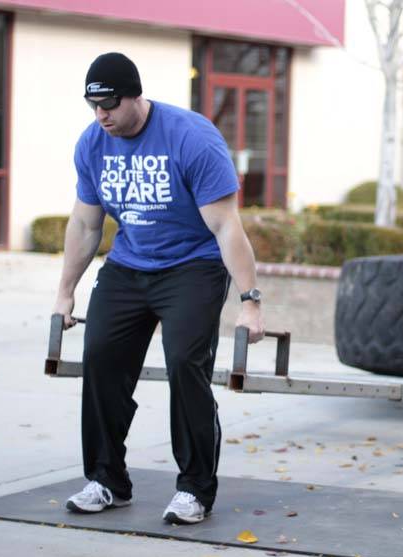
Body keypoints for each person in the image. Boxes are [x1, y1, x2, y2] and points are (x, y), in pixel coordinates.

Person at [53, 52, 264, 525]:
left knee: (185, 361)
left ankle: (194, 489)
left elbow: (227, 226)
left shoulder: (191, 139)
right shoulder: (92, 144)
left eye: (109, 104)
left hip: (193, 266)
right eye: (93, 106)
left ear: (134, 95)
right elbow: (86, 225)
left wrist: (250, 303)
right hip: (129, 265)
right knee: (101, 356)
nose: (101, 115)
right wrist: (66, 290)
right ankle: (107, 480)